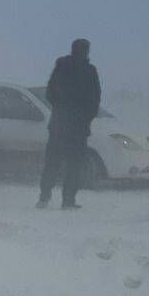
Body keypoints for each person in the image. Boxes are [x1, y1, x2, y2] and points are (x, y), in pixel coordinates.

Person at [37, 38, 101, 210]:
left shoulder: (61, 67)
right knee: (74, 165)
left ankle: (44, 197)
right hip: (78, 128)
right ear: (87, 51)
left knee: (53, 162)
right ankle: (68, 200)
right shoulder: (89, 71)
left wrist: (60, 109)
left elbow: (50, 93)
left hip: (59, 125)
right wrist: (85, 118)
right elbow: (95, 100)